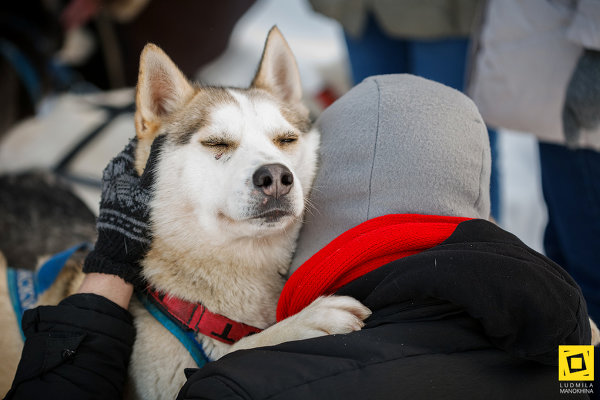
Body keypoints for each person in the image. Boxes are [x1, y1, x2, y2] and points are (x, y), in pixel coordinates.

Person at [6, 75, 595, 399]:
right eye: (220, 146)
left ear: (328, 185)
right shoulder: (569, 323)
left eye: (286, 145)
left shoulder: (302, 361)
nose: (272, 169)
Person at [467, 0, 600, 324]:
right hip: (557, 79)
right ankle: (572, 373)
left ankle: (578, 375)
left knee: (584, 275)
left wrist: (596, 50)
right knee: (565, 260)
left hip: (577, 81)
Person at [308, 0, 502, 221]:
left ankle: (479, 250)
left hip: (444, 14)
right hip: (361, 10)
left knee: (457, 151)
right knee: (376, 148)